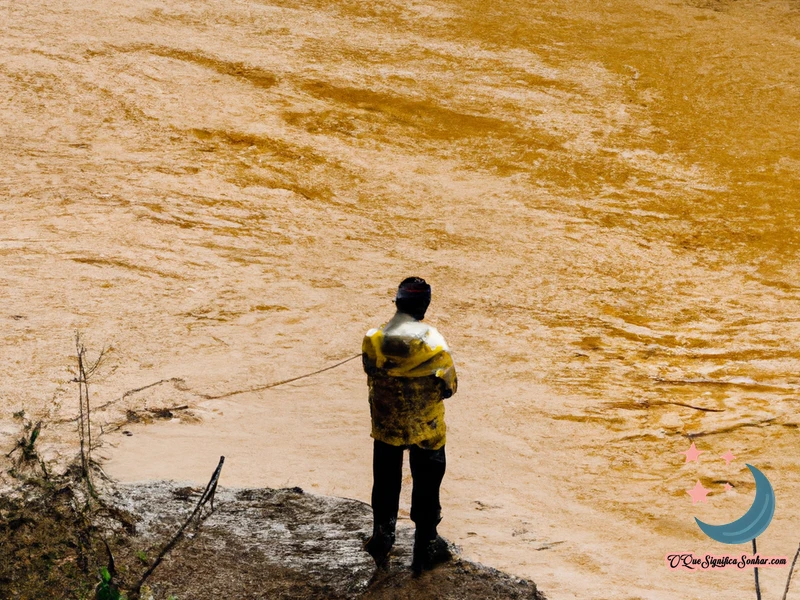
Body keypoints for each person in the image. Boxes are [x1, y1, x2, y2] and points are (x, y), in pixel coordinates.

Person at [361, 277, 458, 574]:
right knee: (428, 483)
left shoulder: (373, 339)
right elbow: (450, 386)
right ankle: (425, 544)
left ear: (397, 303)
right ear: (424, 306)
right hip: (426, 429)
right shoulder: (434, 342)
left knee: (386, 480)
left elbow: (370, 369)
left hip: (386, 426)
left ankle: (383, 535)